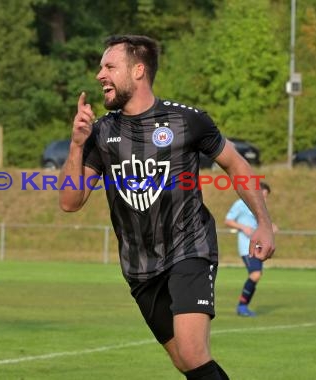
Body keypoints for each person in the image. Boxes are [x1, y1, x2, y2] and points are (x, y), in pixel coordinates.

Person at [59, 35, 275, 380]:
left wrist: (263, 222)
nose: (100, 75)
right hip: (139, 266)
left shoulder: (187, 121)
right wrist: (76, 145)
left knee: (193, 351)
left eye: (109, 66)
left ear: (139, 70)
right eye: (101, 67)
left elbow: (235, 164)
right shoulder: (100, 133)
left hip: (189, 248)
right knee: (187, 363)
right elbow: (70, 202)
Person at [225, 182, 278, 317]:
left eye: (266, 197)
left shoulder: (260, 208)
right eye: (263, 196)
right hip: (246, 246)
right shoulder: (241, 204)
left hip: (259, 245)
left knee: (256, 275)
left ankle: (243, 306)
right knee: (255, 274)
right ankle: (242, 307)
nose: (265, 199)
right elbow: (228, 220)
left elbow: (259, 224)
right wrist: (243, 227)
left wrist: (270, 227)